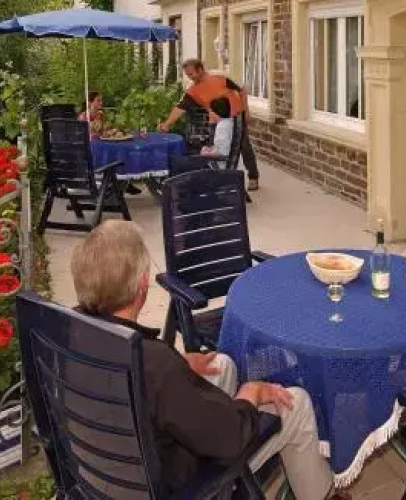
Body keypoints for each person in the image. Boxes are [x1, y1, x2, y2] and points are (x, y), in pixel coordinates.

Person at [70, 221, 348, 499]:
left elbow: (139, 381)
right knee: (296, 402)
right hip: (179, 485)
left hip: (109, 472)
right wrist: (250, 394)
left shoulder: (71, 332)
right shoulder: (155, 364)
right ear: (143, 283)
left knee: (222, 365)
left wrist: (178, 364)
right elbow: (231, 439)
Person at [158, 59, 260, 191]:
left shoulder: (219, 77)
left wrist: (246, 112)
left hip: (236, 117)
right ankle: (221, 177)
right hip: (218, 121)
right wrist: (166, 124)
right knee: (218, 150)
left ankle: (253, 177)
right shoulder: (192, 90)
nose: (190, 77)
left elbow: (241, 89)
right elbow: (180, 108)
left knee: (244, 147)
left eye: (191, 74)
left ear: (200, 69)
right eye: (188, 75)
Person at [79, 91, 141, 195]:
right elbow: (86, 134)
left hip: (103, 143)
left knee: (121, 150)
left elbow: (105, 130)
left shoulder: (100, 114)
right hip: (91, 147)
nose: (101, 103)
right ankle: (121, 183)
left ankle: (124, 181)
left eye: (101, 100)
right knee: (115, 154)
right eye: (98, 100)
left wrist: (113, 131)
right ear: (90, 102)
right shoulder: (84, 116)